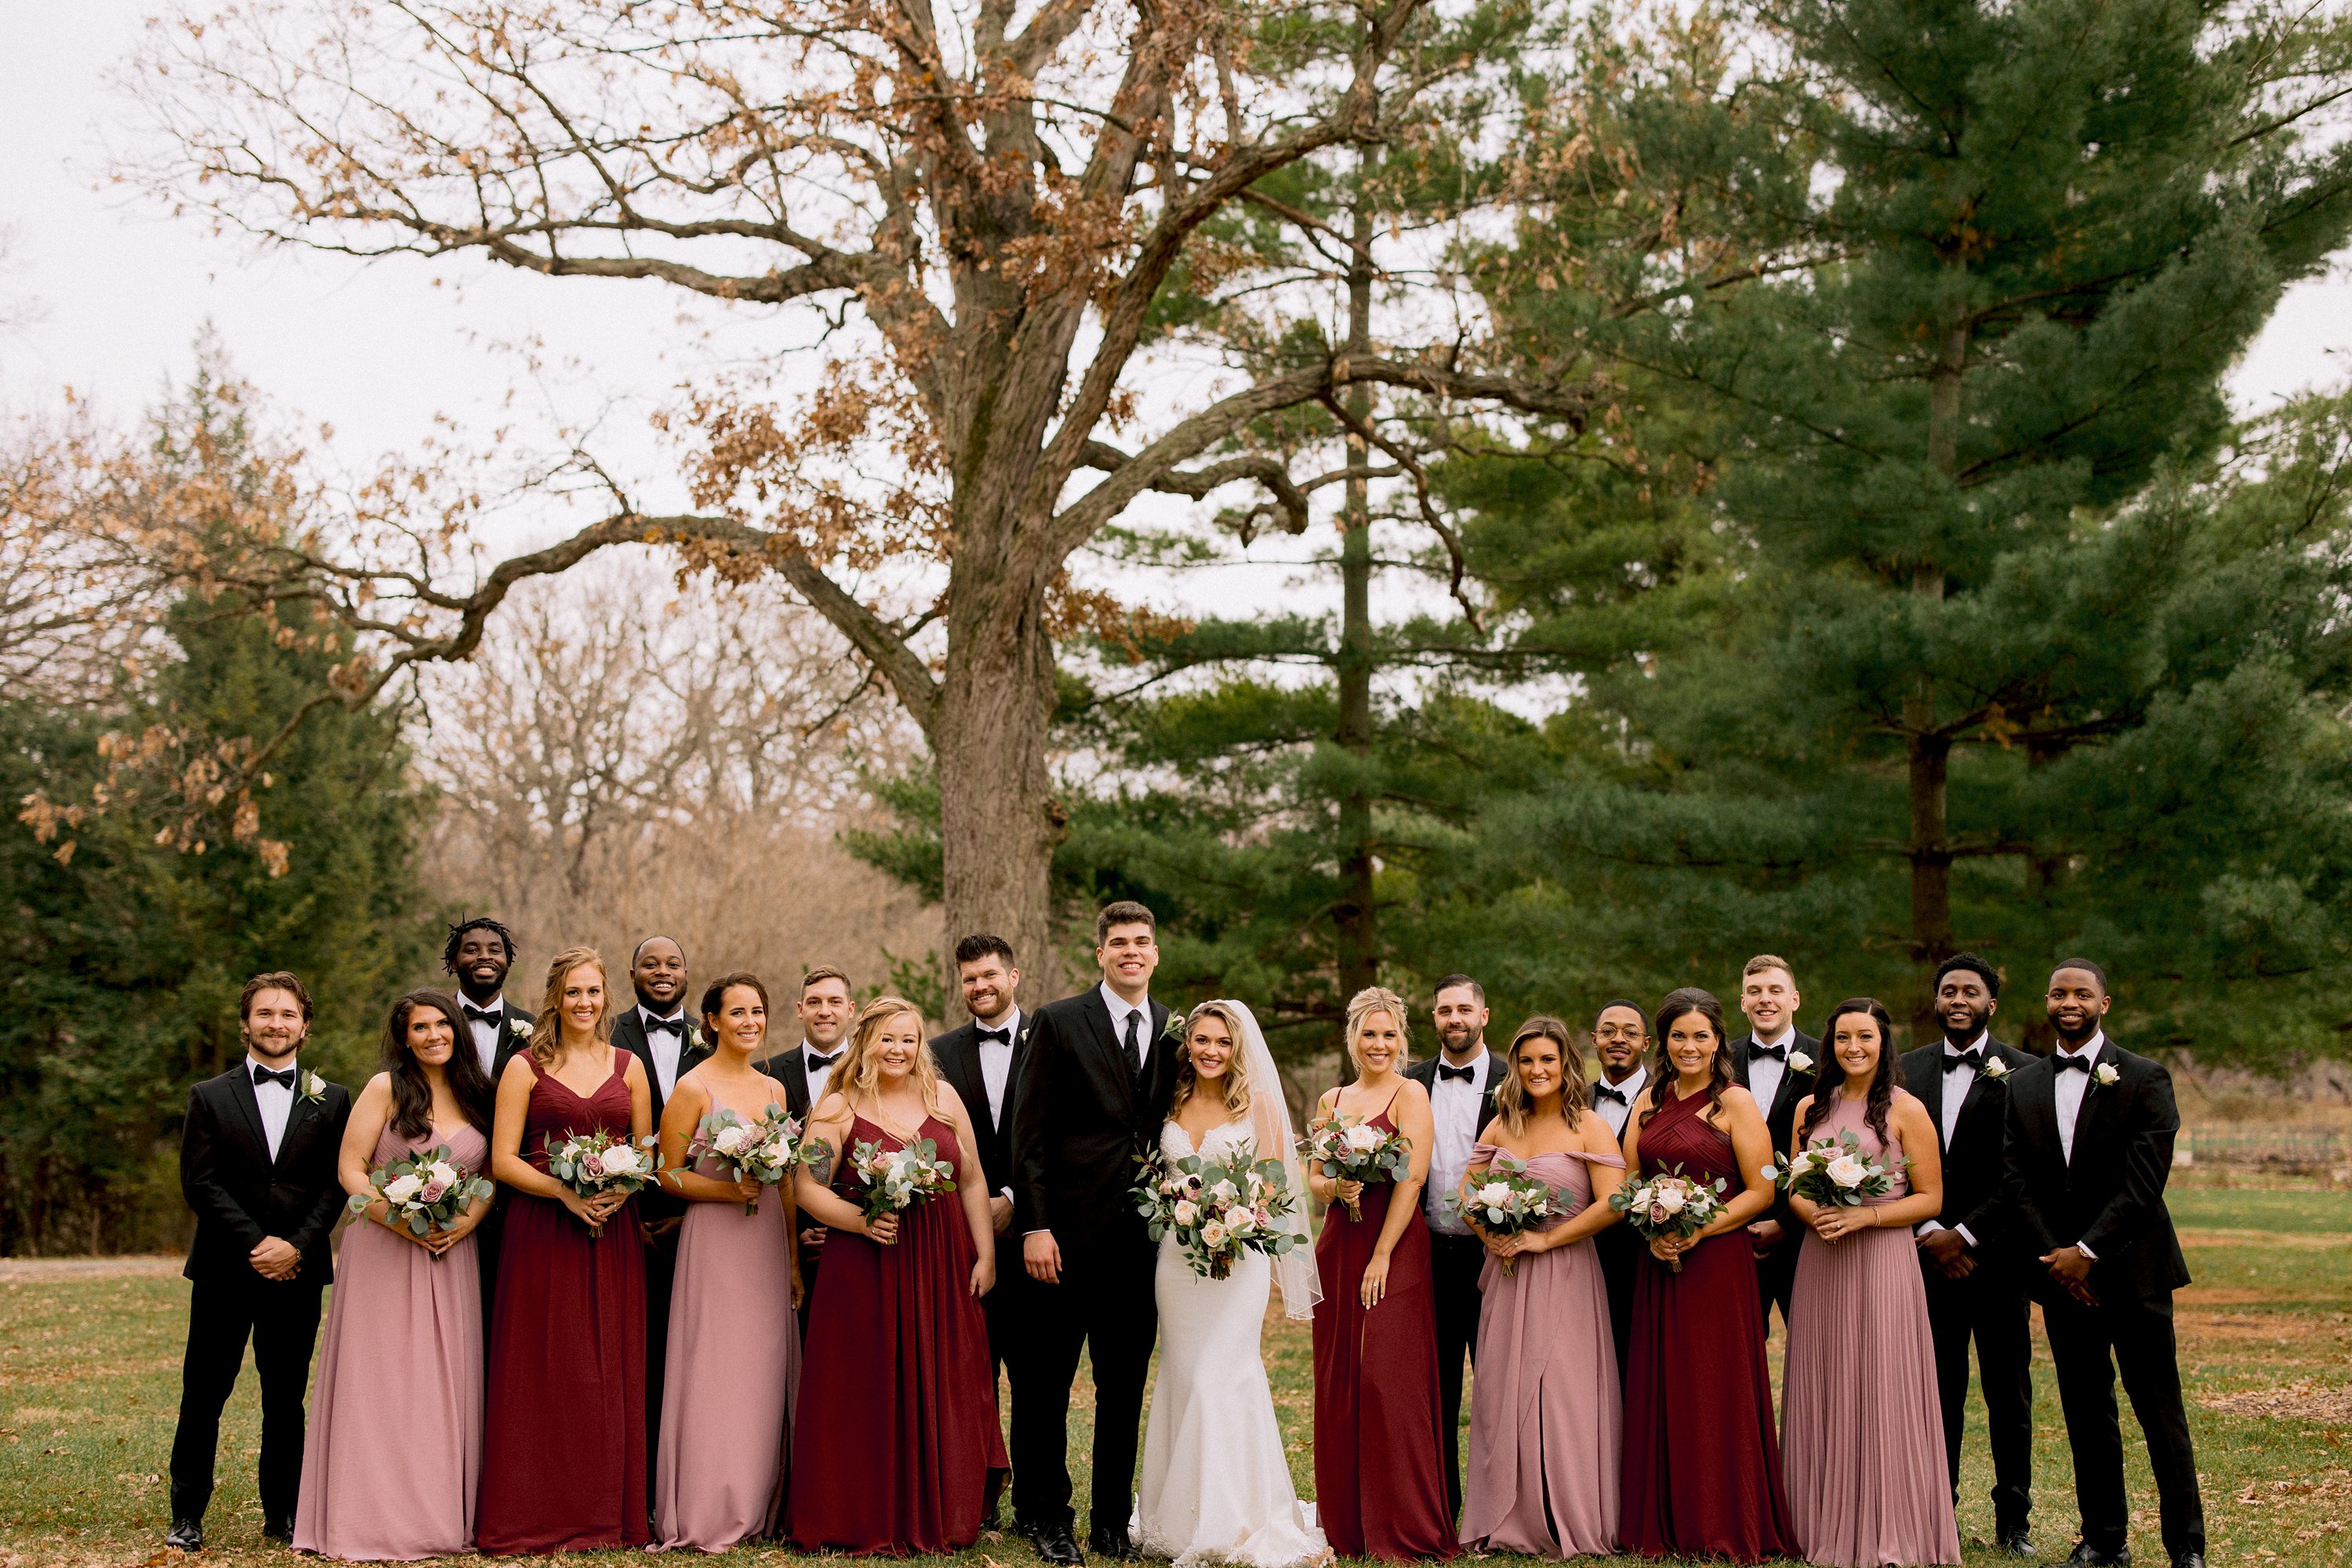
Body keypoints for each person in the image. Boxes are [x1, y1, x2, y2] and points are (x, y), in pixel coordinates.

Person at [2002, 961, 2204, 1568]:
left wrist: (2087, 1252)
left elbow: (2143, 1185)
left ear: (2104, 1004)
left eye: (2081, 993)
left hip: (2134, 1273)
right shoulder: (2022, 1084)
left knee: (2160, 1413)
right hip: (2063, 1282)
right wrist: (2060, 1262)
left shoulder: (2145, 1078)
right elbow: (2017, 1182)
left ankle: (2186, 1546)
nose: (2070, 1001)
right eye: (2059, 992)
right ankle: (2103, 1539)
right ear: (2047, 1001)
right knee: (2087, 1414)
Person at [789, 996, 1007, 1553]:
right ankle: (860, 1511)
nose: (898, 1049)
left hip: (942, 1263)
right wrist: (861, 1222)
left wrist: (985, 1255)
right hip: (866, 1267)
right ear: (866, 1042)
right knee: (865, 1385)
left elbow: (973, 1180)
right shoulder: (839, 1107)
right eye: (887, 1038)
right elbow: (808, 1187)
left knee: (951, 1379)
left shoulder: (944, 1097)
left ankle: (944, 1507)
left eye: (908, 1039)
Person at [293, 989, 496, 1561]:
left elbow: (492, 1177)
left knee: (440, 1384)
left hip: (451, 1252)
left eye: (442, 1025)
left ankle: (434, 1515)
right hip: (383, 1248)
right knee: (379, 1380)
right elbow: (350, 1171)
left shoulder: (479, 1095)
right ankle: (368, 1516)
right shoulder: (386, 1089)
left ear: (456, 1030)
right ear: (404, 1037)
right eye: (419, 1028)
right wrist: (399, 1221)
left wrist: (466, 1222)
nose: (433, 1035)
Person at [1007, 901, 1178, 1564]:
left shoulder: (1174, 1029)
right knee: (1046, 1388)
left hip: (1141, 1248)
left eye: (1141, 942)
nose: (1130, 951)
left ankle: (1110, 1522)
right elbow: (1029, 1135)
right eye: (1118, 943)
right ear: (1100, 954)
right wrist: (1035, 1227)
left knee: (1123, 1387)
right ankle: (1050, 1520)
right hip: (1063, 1242)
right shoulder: (1056, 1022)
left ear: (1155, 954)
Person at [1132, 999, 1326, 1568]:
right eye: (1202, 1041)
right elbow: (1159, 1178)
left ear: (1238, 1047)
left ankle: (1230, 1518)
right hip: (1176, 1259)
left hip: (1238, 1257)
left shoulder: (1260, 1105)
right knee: (1185, 1376)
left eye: (1223, 1042)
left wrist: (1232, 1216)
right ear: (1187, 1044)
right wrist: (1180, 1206)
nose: (1212, 1051)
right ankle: (1177, 1516)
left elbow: (1275, 1188)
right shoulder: (1170, 1098)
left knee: (1222, 1376)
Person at [476, 947, 656, 1554]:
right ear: (555, 998)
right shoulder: (525, 1067)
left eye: (593, 992)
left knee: (606, 1366)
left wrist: (616, 1190)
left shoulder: (629, 1066)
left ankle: (607, 1512)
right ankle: (533, 1507)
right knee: (545, 1364)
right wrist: (564, 1193)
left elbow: (648, 1152)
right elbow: (502, 1160)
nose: (584, 1003)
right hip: (541, 1233)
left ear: (607, 998)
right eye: (573, 992)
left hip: (612, 1232)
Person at [166, 973, 352, 1552]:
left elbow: (336, 1186)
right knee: (204, 1392)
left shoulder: (334, 1098)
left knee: (285, 1397)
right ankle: (187, 1514)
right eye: (266, 1013)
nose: (277, 1023)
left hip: (298, 1272)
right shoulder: (209, 1095)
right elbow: (200, 1182)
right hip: (226, 1268)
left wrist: (295, 1245)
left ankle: (285, 1514)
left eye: (288, 1014)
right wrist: (258, 1243)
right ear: (245, 1023)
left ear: (305, 1025)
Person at [1780, 997, 1962, 1568]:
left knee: (1881, 1381)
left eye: (1864, 1037)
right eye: (1841, 1038)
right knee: (1826, 1376)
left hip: (1882, 1258)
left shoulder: (1908, 1110)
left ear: (1884, 1044)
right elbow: (1794, 1187)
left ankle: (1889, 1526)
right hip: (1823, 1257)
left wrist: (1866, 1216)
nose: (1852, 1047)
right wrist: (1820, 1216)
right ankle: (1814, 1521)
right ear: (1829, 1044)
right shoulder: (1809, 1107)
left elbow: (1932, 1198)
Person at [1618, 987, 1796, 1563]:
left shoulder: (1735, 1102)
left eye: (1701, 1035)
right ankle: (1666, 1518)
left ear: (1719, 1040)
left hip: (1717, 1261)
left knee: (1717, 1386)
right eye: (1678, 1036)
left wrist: (1699, 1228)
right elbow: (1628, 1181)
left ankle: (1724, 1519)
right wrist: (1654, 1225)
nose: (1689, 1045)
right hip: (1659, 1259)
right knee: (1664, 1381)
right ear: (1664, 1042)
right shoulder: (1648, 1099)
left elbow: (1763, 1186)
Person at [1457, 1015, 1627, 1559]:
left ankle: (1564, 1513)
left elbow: (1612, 1204)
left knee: (1562, 1395)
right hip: (1507, 1277)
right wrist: (1494, 1234)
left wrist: (1543, 1242)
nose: (1536, 1070)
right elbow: (1466, 1194)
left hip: (1567, 1273)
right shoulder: (1502, 1126)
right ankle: (1506, 1517)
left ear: (1567, 1064)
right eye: (1527, 1060)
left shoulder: (1588, 1127)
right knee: (1503, 1392)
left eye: (1547, 1060)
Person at [653, 973, 800, 1552]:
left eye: (757, 1011)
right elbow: (665, 1173)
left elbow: (785, 1183)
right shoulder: (693, 1086)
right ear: (711, 1021)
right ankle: (709, 1507)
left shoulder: (774, 1092)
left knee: (762, 1368)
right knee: (715, 1368)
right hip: (713, 1240)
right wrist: (724, 1193)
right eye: (736, 1012)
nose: (750, 1022)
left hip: (764, 1243)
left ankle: (759, 1504)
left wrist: (791, 1261)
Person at [1308, 986, 1454, 1561]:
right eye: (1369, 1033)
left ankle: (1402, 1522)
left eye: (1390, 1034)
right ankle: (1347, 1522)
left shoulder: (1410, 1093)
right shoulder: (1332, 1099)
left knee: (1388, 1382)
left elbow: (1412, 1179)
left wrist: (1384, 1254)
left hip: (1393, 1244)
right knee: (1342, 1378)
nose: (1379, 1044)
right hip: (1339, 1242)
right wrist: (1333, 1186)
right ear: (1353, 1036)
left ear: (1402, 1039)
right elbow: (1314, 1175)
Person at [1899, 953, 2035, 1557]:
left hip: (1999, 1260)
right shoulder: (1904, 1071)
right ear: (1936, 1001)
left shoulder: (2026, 1072)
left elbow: (2023, 1173)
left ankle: (2014, 1519)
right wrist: (1933, 1232)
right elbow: (1892, 1164)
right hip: (1928, 1261)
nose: (1959, 999)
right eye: (1948, 990)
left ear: (1991, 1004)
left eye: (1971, 991)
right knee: (1938, 1391)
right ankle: (1938, 1512)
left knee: (2009, 1393)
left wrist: (1969, 1235)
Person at [927, 933, 1032, 1526]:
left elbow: (1059, 1139)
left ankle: (1039, 1504)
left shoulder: (1052, 1040)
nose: (980, 987)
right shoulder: (938, 1053)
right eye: (970, 979)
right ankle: (975, 1497)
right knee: (969, 1373)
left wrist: (1014, 1198)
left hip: (1036, 1234)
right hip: (961, 1243)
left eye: (990, 975)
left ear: (1013, 977)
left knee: (1036, 1380)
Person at [613, 934, 711, 1508]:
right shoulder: (608, 1036)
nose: (663, 971)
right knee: (637, 1351)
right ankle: (639, 1481)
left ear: (687, 971)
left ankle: (688, 1479)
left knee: (694, 1352)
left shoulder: (715, 1036)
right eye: (651, 964)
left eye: (673, 962)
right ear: (632, 974)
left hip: (702, 1220)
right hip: (624, 1218)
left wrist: (690, 1210)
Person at [1400, 973, 1502, 1519]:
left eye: (1465, 1008)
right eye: (1445, 1010)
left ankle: (1498, 1508)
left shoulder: (1517, 1079)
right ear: (1434, 1018)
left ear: (1484, 1015)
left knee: (1499, 1386)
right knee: (1436, 1389)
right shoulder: (1410, 1083)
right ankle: (1441, 1506)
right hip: (1428, 1255)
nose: (1455, 1018)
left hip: (1499, 1258)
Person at [442, 916, 533, 1309]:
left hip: (516, 1192)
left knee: (509, 1304)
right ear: (453, 961)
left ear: (508, 960)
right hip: (445, 1181)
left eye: (494, 949)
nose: (484, 956)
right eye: (472, 949)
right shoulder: (432, 1022)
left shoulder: (536, 1027)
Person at [757, 964, 856, 1325]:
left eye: (834, 1001)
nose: (824, 1011)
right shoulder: (765, 1074)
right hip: (783, 1242)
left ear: (851, 1009)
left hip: (858, 1238)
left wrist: (843, 1222)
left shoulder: (877, 1072)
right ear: (800, 1010)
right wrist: (798, 1232)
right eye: (814, 1002)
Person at [1730, 954, 1817, 1334]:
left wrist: (1786, 1223)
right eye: (1755, 991)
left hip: (1806, 1233)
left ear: (1794, 999)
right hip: (1732, 1233)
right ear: (1743, 1002)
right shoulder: (1717, 1060)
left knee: (1816, 1345)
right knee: (1737, 1347)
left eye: (1775, 990)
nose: (1765, 999)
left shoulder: (1827, 1060)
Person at [1584, 1000, 1650, 1381]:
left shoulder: (1667, 1097)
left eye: (1629, 1032)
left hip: (1644, 1251)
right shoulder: (1572, 1099)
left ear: (1647, 1043)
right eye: (1608, 1031)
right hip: (1582, 1247)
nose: (1618, 1039)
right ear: (1594, 1040)